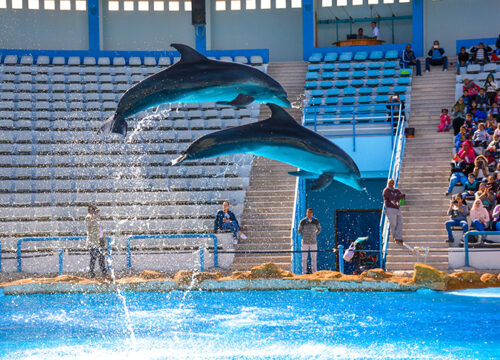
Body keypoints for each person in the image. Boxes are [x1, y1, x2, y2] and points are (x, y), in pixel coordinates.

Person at [85, 205, 108, 279]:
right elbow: (91, 225)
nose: (96, 212)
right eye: (94, 210)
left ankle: (104, 273)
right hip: (93, 241)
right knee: (93, 258)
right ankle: (91, 273)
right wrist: (95, 216)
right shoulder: (88, 217)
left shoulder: (96, 218)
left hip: (99, 240)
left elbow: (100, 228)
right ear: (90, 210)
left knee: (101, 258)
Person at [298, 208, 321, 274]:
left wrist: (314, 234)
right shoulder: (303, 221)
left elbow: (319, 229)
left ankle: (314, 272)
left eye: (311, 212)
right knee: (304, 258)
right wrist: (304, 235)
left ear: (312, 213)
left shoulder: (316, 221)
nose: (309, 214)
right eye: (308, 212)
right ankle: (304, 272)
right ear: (306, 213)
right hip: (305, 242)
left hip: (313, 242)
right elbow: (299, 230)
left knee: (314, 258)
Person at [382, 179, 405, 245]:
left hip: (397, 208)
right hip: (390, 209)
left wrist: (400, 197)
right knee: (393, 224)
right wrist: (399, 197)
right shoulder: (386, 191)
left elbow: (402, 196)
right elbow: (392, 197)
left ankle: (398, 237)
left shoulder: (396, 190)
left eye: (392, 183)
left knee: (400, 223)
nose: (391, 184)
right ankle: (396, 237)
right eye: (390, 182)